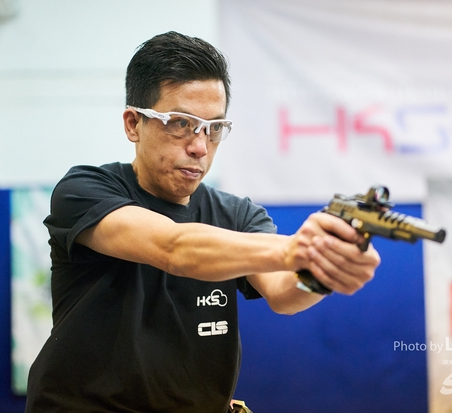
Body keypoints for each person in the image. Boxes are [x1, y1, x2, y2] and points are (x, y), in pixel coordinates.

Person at [25, 31, 381, 413]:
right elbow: (173, 247)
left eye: (214, 128)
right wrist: (299, 247)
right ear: (133, 124)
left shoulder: (238, 214)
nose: (199, 145)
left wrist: (323, 267)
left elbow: (283, 293)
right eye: (180, 123)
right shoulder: (84, 191)